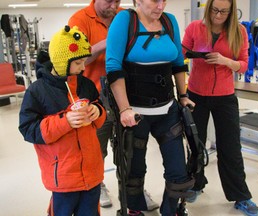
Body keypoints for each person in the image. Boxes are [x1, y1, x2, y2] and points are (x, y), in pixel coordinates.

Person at [106, 0, 195, 215]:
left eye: (164, 0)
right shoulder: (125, 21)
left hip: (168, 110)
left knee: (178, 170)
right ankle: (135, 209)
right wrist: (125, 109)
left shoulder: (169, 21)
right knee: (134, 169)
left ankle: (171, 210)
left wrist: (183, 95)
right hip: (136, 114)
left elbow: (177, 63)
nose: (160, 5)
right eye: (155, 0)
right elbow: (113, 67)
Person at [68, 0, 159, 209]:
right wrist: (108, 42)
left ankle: (134, 192)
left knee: (130, 151)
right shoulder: (80, 19)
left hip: (125, 97)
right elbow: (76, 59)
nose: (114, 4)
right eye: (109, 0)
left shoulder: (126, 16)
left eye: (117, 0)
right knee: (95, 150)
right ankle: (97, 185)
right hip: (95, 99)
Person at [182, 0, 258, 216]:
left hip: (225, 97)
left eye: (224, 11)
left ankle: (241, 196)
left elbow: (244, 64)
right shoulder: (194, 28)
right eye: (215, 10)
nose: (218, 15)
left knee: (231, 147)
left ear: (231, 12)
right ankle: (196, 184)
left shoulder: (240, 31)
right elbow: (181, 54)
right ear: (209, 9)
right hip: (196, 94)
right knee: (195, 144)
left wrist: (226, 61)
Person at [18, 25, 107, 216]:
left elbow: (100, 106)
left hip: (92, 172)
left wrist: (97, 112)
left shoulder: (86, 84)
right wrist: (64, 121)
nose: (84, 67)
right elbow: (28, 129)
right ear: (62, 62)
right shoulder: (37, 91)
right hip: (63, 177)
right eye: (79, 63)